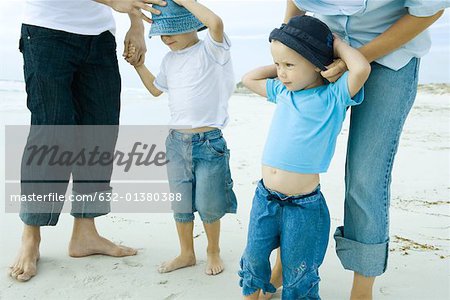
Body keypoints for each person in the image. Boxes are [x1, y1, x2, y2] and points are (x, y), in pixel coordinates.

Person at [265, 1, 448, 299]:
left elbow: (430, 9)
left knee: (366, 178)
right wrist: (285, 45)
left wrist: (356, 58)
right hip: (319, 54)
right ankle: (284, 264)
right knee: (295, 165)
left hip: (392, 58)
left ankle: (362, 290)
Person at [9, 0, 167, 282]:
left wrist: (136, 25)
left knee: (99, 131)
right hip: (46, 31)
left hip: (99, 37)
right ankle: (31, 235)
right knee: (51, 132)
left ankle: (85, 232)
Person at [238, 15, 370, 299]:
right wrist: (283, 55)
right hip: (265, 197)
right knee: (253, 258)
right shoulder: (283, 92)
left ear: (315, 63)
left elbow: (361, 68)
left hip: (303, 205)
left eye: (289, 66)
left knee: (300, 270)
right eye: (277, 65)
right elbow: (248, 78)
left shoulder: (333, 97)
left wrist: (336, 47)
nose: (281, 73)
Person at [127, 0, 237, 276]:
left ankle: (213, 250)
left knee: (209, 203)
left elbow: (216, 23)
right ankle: (186, 253)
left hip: (208, 143)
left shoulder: (212, 50)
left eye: (171, 30)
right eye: (161, 33)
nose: (165, 38)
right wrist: (138, 66)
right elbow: (156, 89)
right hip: (176, 143)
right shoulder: (169, 60)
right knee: (182, 203)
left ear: (190, 23)